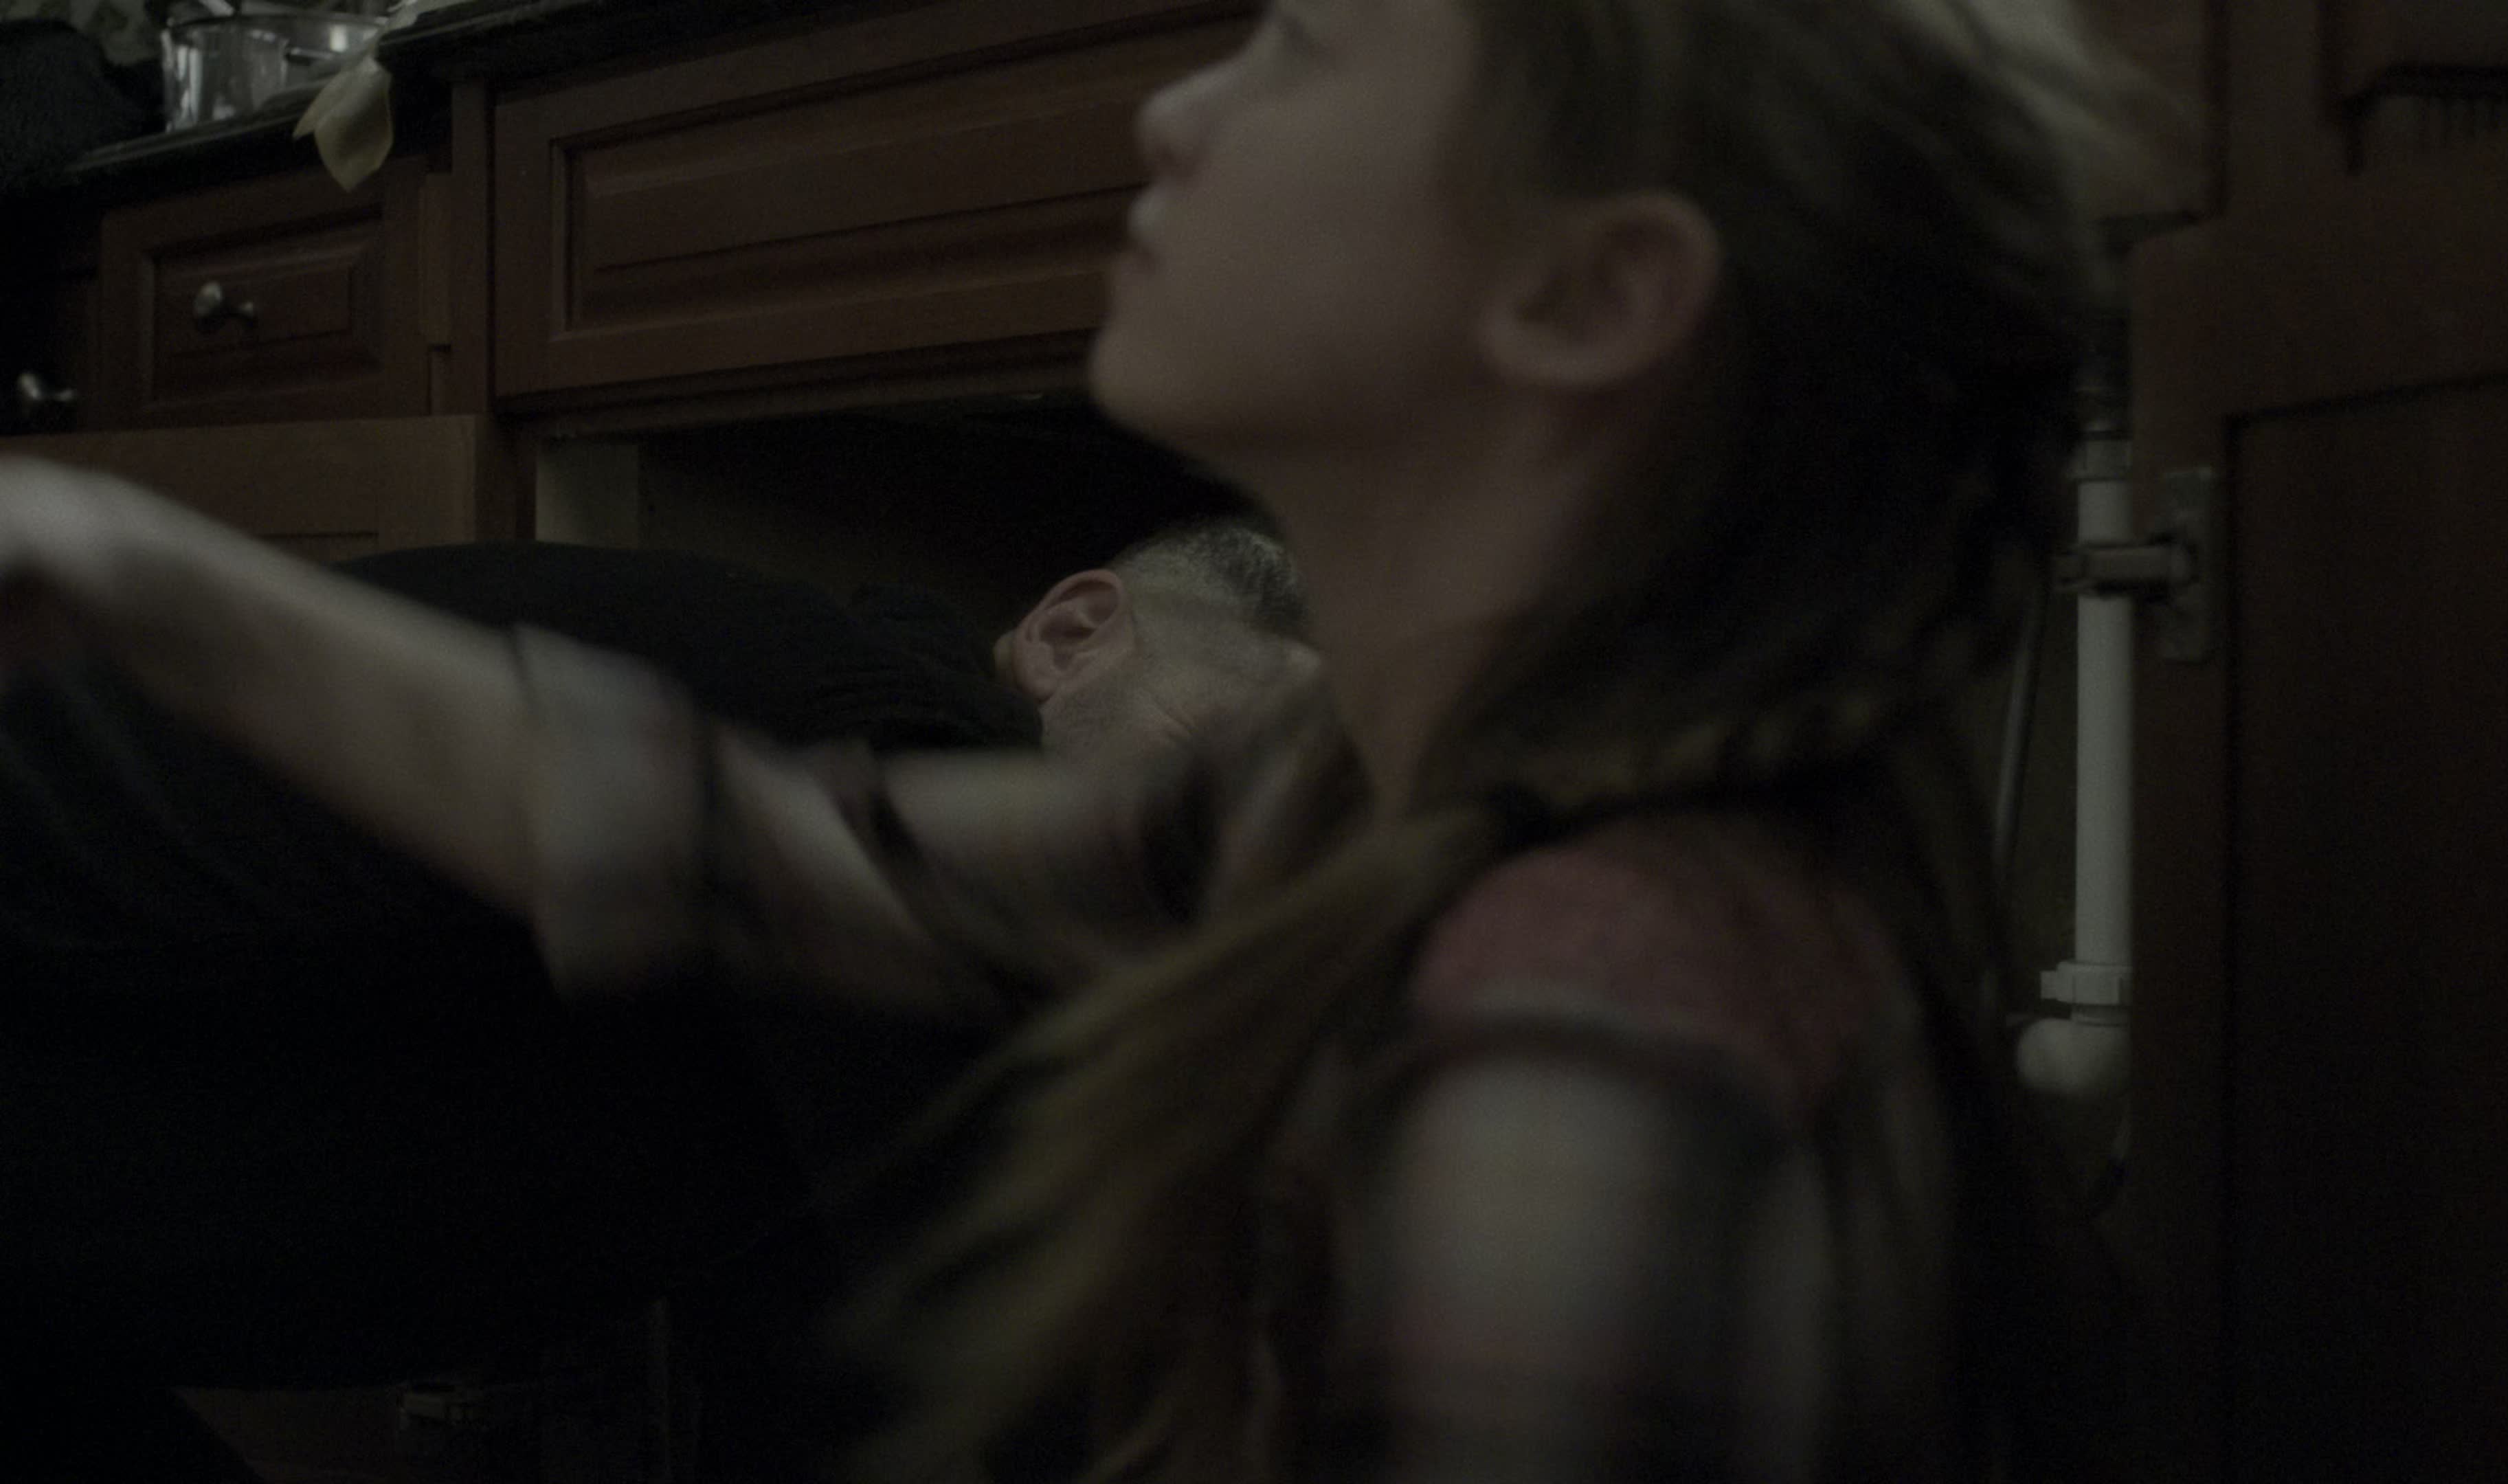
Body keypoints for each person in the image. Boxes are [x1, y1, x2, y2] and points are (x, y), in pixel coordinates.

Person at [0, 0, 2154, 1479]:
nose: (1174, 113)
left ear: (1586, 300)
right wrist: (142, 575)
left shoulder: (1591, 1026)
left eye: (1297, 50)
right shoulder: (1362, 797)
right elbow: (755, 851)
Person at [0, 520, 1306, 1479]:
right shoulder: (880, 724)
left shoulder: (858, 870)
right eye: (1238, 780)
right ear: (1071, 636)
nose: (1267, 876)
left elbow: (820, 1357)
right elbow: (1023, 1368)